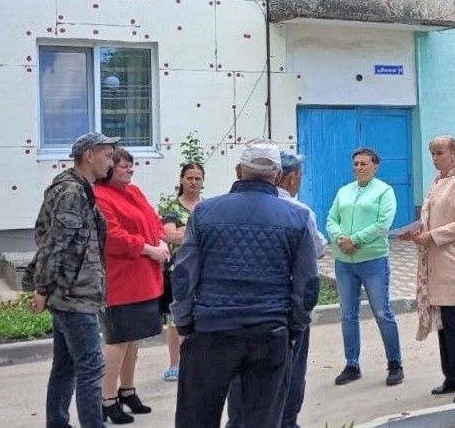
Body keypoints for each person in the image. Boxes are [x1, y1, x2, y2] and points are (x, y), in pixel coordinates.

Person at [171, 138, 320, 428]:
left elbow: (184, 274)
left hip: (212, 330)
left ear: (238, 170)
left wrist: (185, 322)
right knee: (263, 420)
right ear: (277, 176)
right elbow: (307, 285)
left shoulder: (204, 212)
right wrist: (294, 326)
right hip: (269, 332)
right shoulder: (298, 217)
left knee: (196, 419)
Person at [226, 151, 327, 428]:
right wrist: (300, 317)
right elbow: (314, 257)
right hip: (281, 309)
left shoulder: (221, 208)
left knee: (240, 373)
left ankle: (238, 422)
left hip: (234, 309)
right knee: (288, 372)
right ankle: (286, 422)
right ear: (289, 177)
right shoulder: (299, 212)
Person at [28, 132, 118, 428]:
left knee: (66, 366)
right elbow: (54, 243)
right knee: (92, 367)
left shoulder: (80, 189)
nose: (111, 161)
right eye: (107, 154)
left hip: (75, 291)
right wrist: (42, 287)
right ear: (89, 155)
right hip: (73, 295)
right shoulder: (72, 192)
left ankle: (57, 422)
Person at [94, 148, 170, 424]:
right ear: (109, 169)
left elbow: (153, 219)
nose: (130, 169)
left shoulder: (134, 192)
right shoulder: (100, 197)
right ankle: (107, 399)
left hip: (145, 278)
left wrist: (160, 240)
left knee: (133, 339)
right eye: (124, 165)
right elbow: (112, 237)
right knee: (118, 340)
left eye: (131, 165)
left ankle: (127, 391)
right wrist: (148, 248)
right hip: (122, 280)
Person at [404, 135, 455, 404]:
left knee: (453, 319)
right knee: (443, 322)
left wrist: (433, 236)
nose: (435, 158)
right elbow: (432, 217)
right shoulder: (438, 181)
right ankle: (451, 377)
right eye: (432, 153)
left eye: (439, 153)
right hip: (435, 259)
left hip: (452, 259)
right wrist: (416, 231)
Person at [326, 147, 403, 387]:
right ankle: (352, 364)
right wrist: (340, 238)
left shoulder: (384, 191)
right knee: (348, 315)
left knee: (382, 312)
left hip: (372, 260)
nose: (358, 167)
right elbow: (331, 219)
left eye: (363, 163)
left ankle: (395, 363)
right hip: (344, 262)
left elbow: (383, 224)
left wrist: (355, 239)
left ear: (375, 166)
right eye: (355, 163)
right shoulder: (344, 191)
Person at [157, 162, 205, 383]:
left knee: (200, 316)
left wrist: (184, 231)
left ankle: (196, 361)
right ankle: (175, 364)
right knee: (176, 319)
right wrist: (196, 233)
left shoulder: (208, 205)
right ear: (181, 179)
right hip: (179, 271)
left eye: (197, 178)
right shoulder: (170, 207)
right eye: (189, 178)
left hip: (205, 270)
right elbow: (169, 236)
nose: (193, 182)